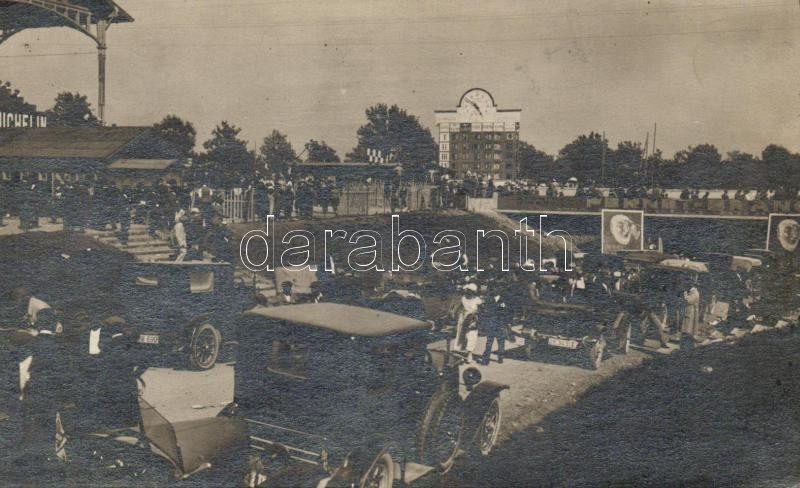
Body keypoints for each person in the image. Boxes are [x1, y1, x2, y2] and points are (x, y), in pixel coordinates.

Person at [478, 288, 512, 364]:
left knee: (501, 342)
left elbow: (507, 312)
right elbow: (486, 311)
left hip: (500, 324)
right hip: (491, 324)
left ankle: (500, 357)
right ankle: (486, 359)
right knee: (489, 342)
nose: (495, 290)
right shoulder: (489, 299)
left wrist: (508, 322)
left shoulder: (503, 300)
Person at [454, 283, 483, 362]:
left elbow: (481, 310)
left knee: (471, 337)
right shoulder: (464, 298)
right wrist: (455, 313)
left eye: (471, 291)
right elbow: (458, 307)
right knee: (462, 336)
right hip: (463, 319)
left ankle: (469, 354)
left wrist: (475, 314)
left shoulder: (477, 299)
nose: (469, 292)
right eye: (468, 290)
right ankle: (460, 353)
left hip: (473, 320)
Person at [680, 276, 701, 343]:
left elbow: (688, 301)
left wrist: (685, 294)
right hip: (689, 311)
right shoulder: (691, 292)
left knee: (688, 328)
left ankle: (686, 342)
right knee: (686, 327)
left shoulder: (695, 292)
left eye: (685, 284)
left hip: (691, 312)